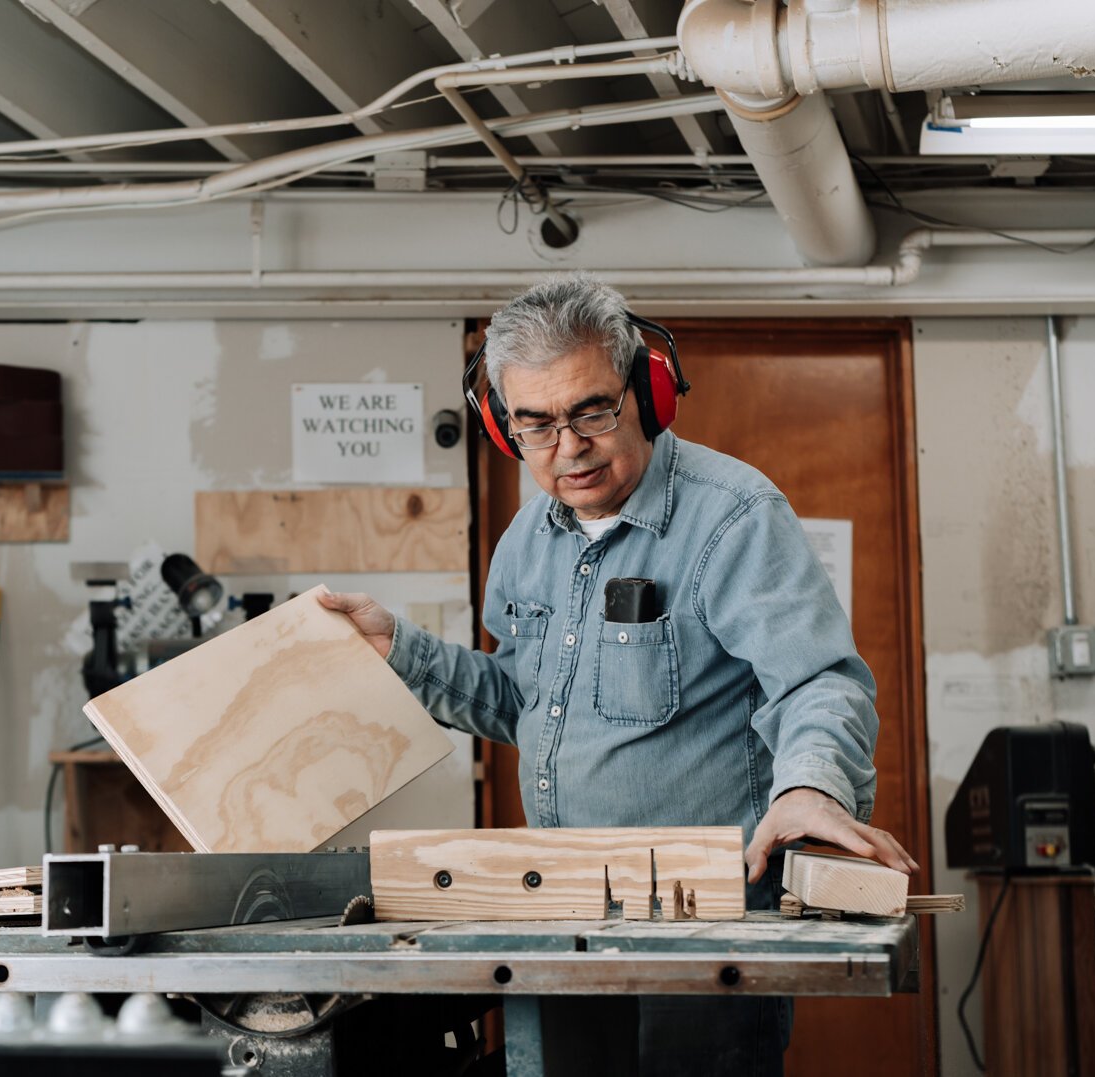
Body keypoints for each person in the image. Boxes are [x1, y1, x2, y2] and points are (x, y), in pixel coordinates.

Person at [320, 272, 914, 1073]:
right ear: (504, 427)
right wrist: (401, 648)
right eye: (535, 424)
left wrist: (809, 787)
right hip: (558, 915)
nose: (568, 448)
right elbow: (525, 702)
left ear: (648, 392)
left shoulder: (733, 516)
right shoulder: (529, 539)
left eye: (591, 410)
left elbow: (819, 681)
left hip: (704, 930)